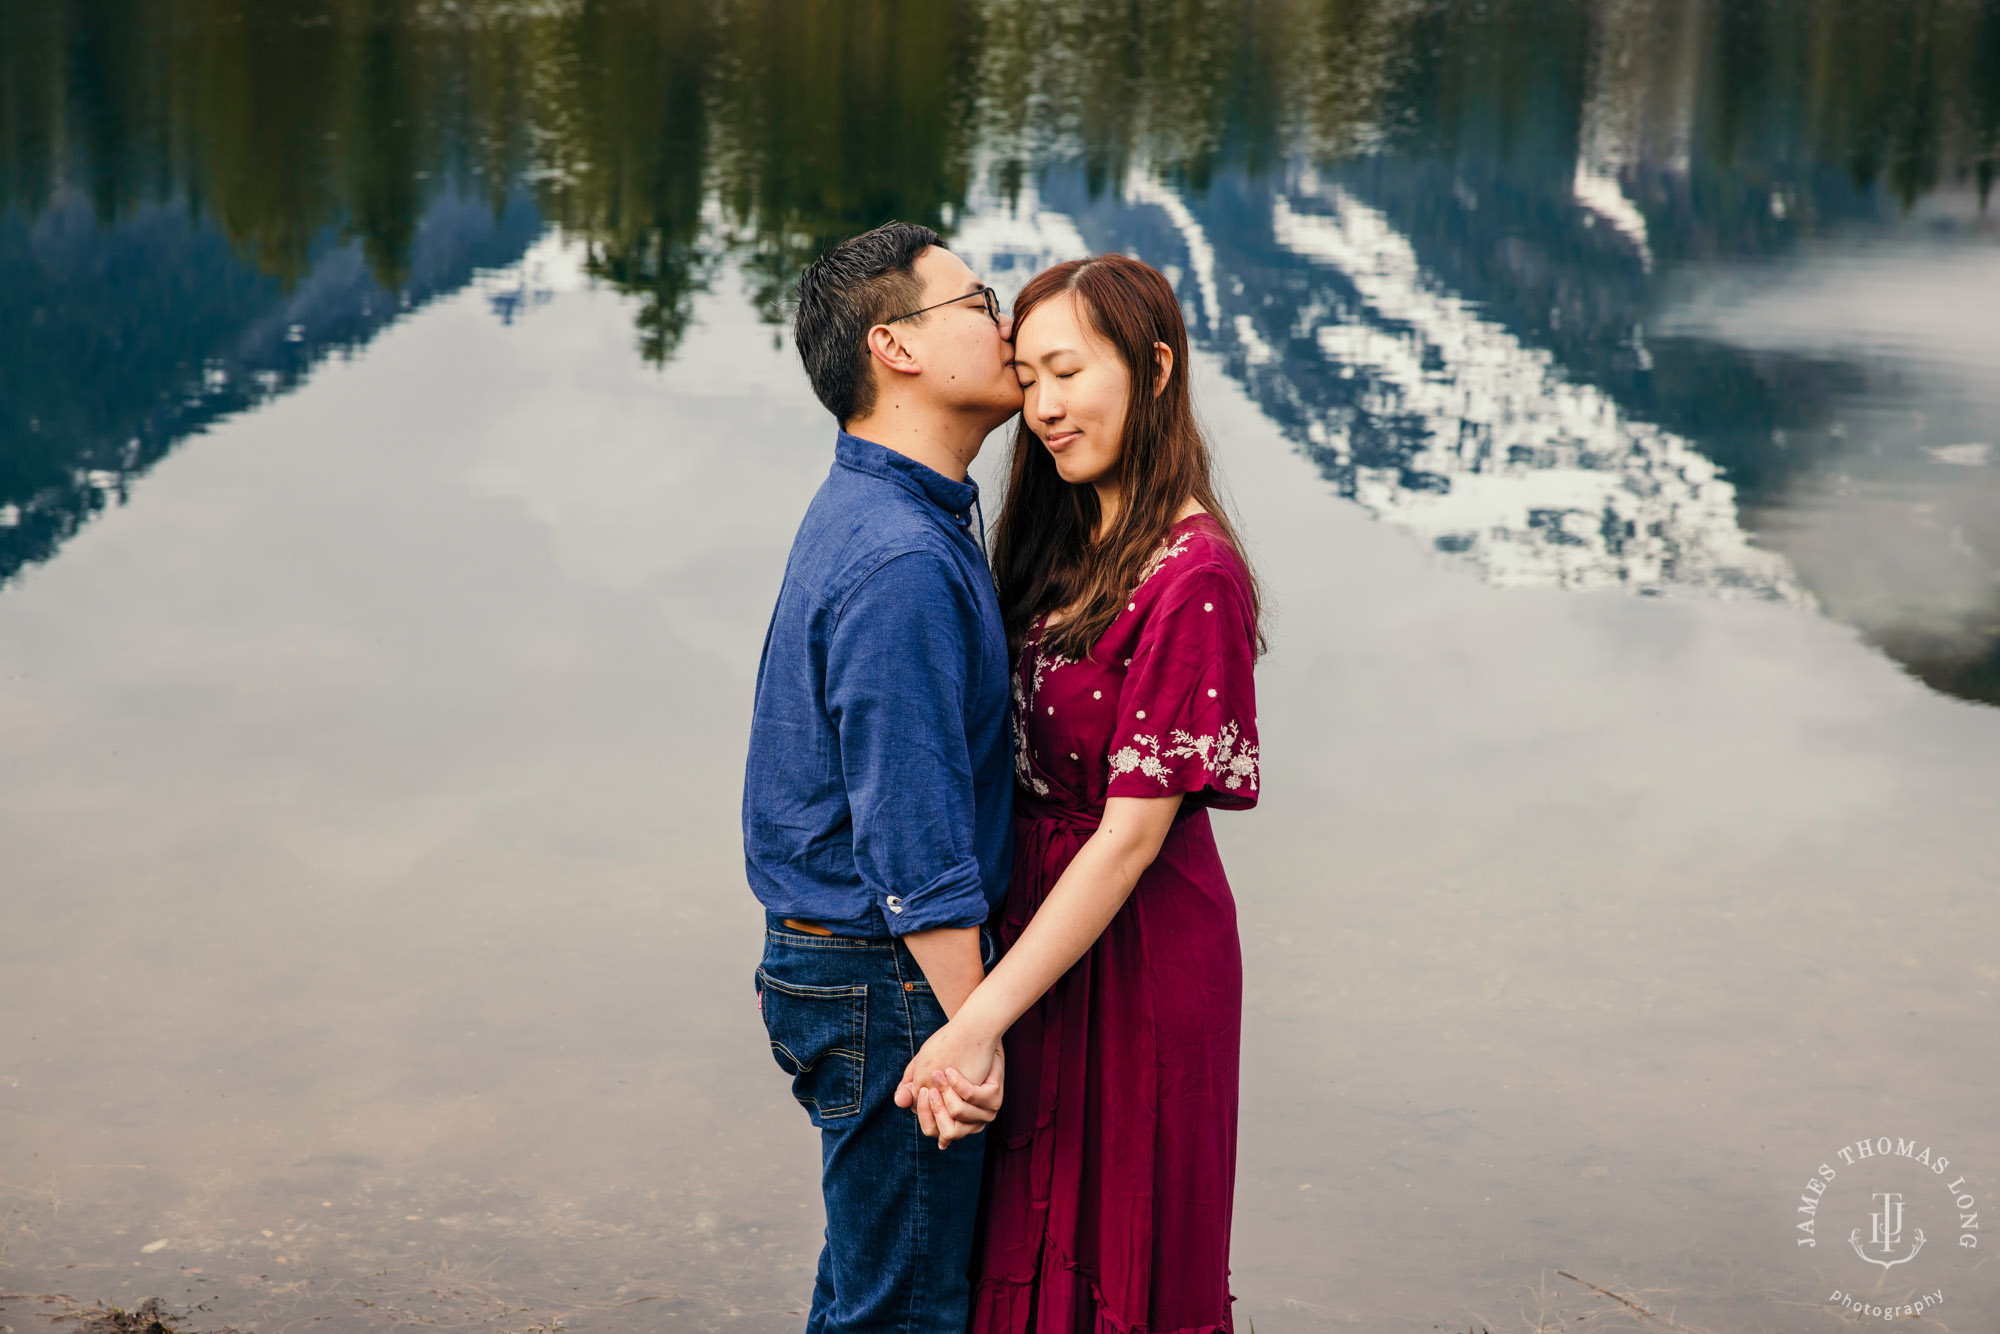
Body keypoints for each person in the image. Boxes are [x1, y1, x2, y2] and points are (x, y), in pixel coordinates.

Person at [894, 253, 1264, 1334]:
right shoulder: (1061, 537)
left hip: (1137, 947)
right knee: (1017, 1238)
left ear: (1153, 368)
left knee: (1115, 1251)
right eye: (1027, 376)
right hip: (1033, 926)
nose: (1043, 407)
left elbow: (1130, 839)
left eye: (1067, 371)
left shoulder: (1192, 576)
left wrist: (973, 1023)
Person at [742, 220, 1024, 1334]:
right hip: (886, 974)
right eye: (976, 301)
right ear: (894, 346)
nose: (1003, 323)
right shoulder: (900, 556)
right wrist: (973, 1030)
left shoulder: (890, 510)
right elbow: (909, 842)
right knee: (902, 1310)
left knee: (873, 1285)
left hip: (847, 966)